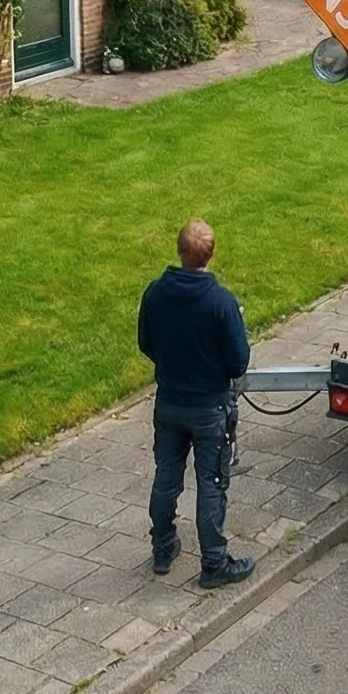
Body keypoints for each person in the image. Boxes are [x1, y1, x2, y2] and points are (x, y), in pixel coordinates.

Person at [136, 218, 254, 588]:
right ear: (211, 254)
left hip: (169, 401)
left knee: (166, 475)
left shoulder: (155, 293)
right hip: (209, 409)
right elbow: (238, 363)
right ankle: (214, 564)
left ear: (179, 251)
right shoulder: (221, 303)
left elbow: (146, 343)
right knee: (211, 482)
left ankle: (162, 547)